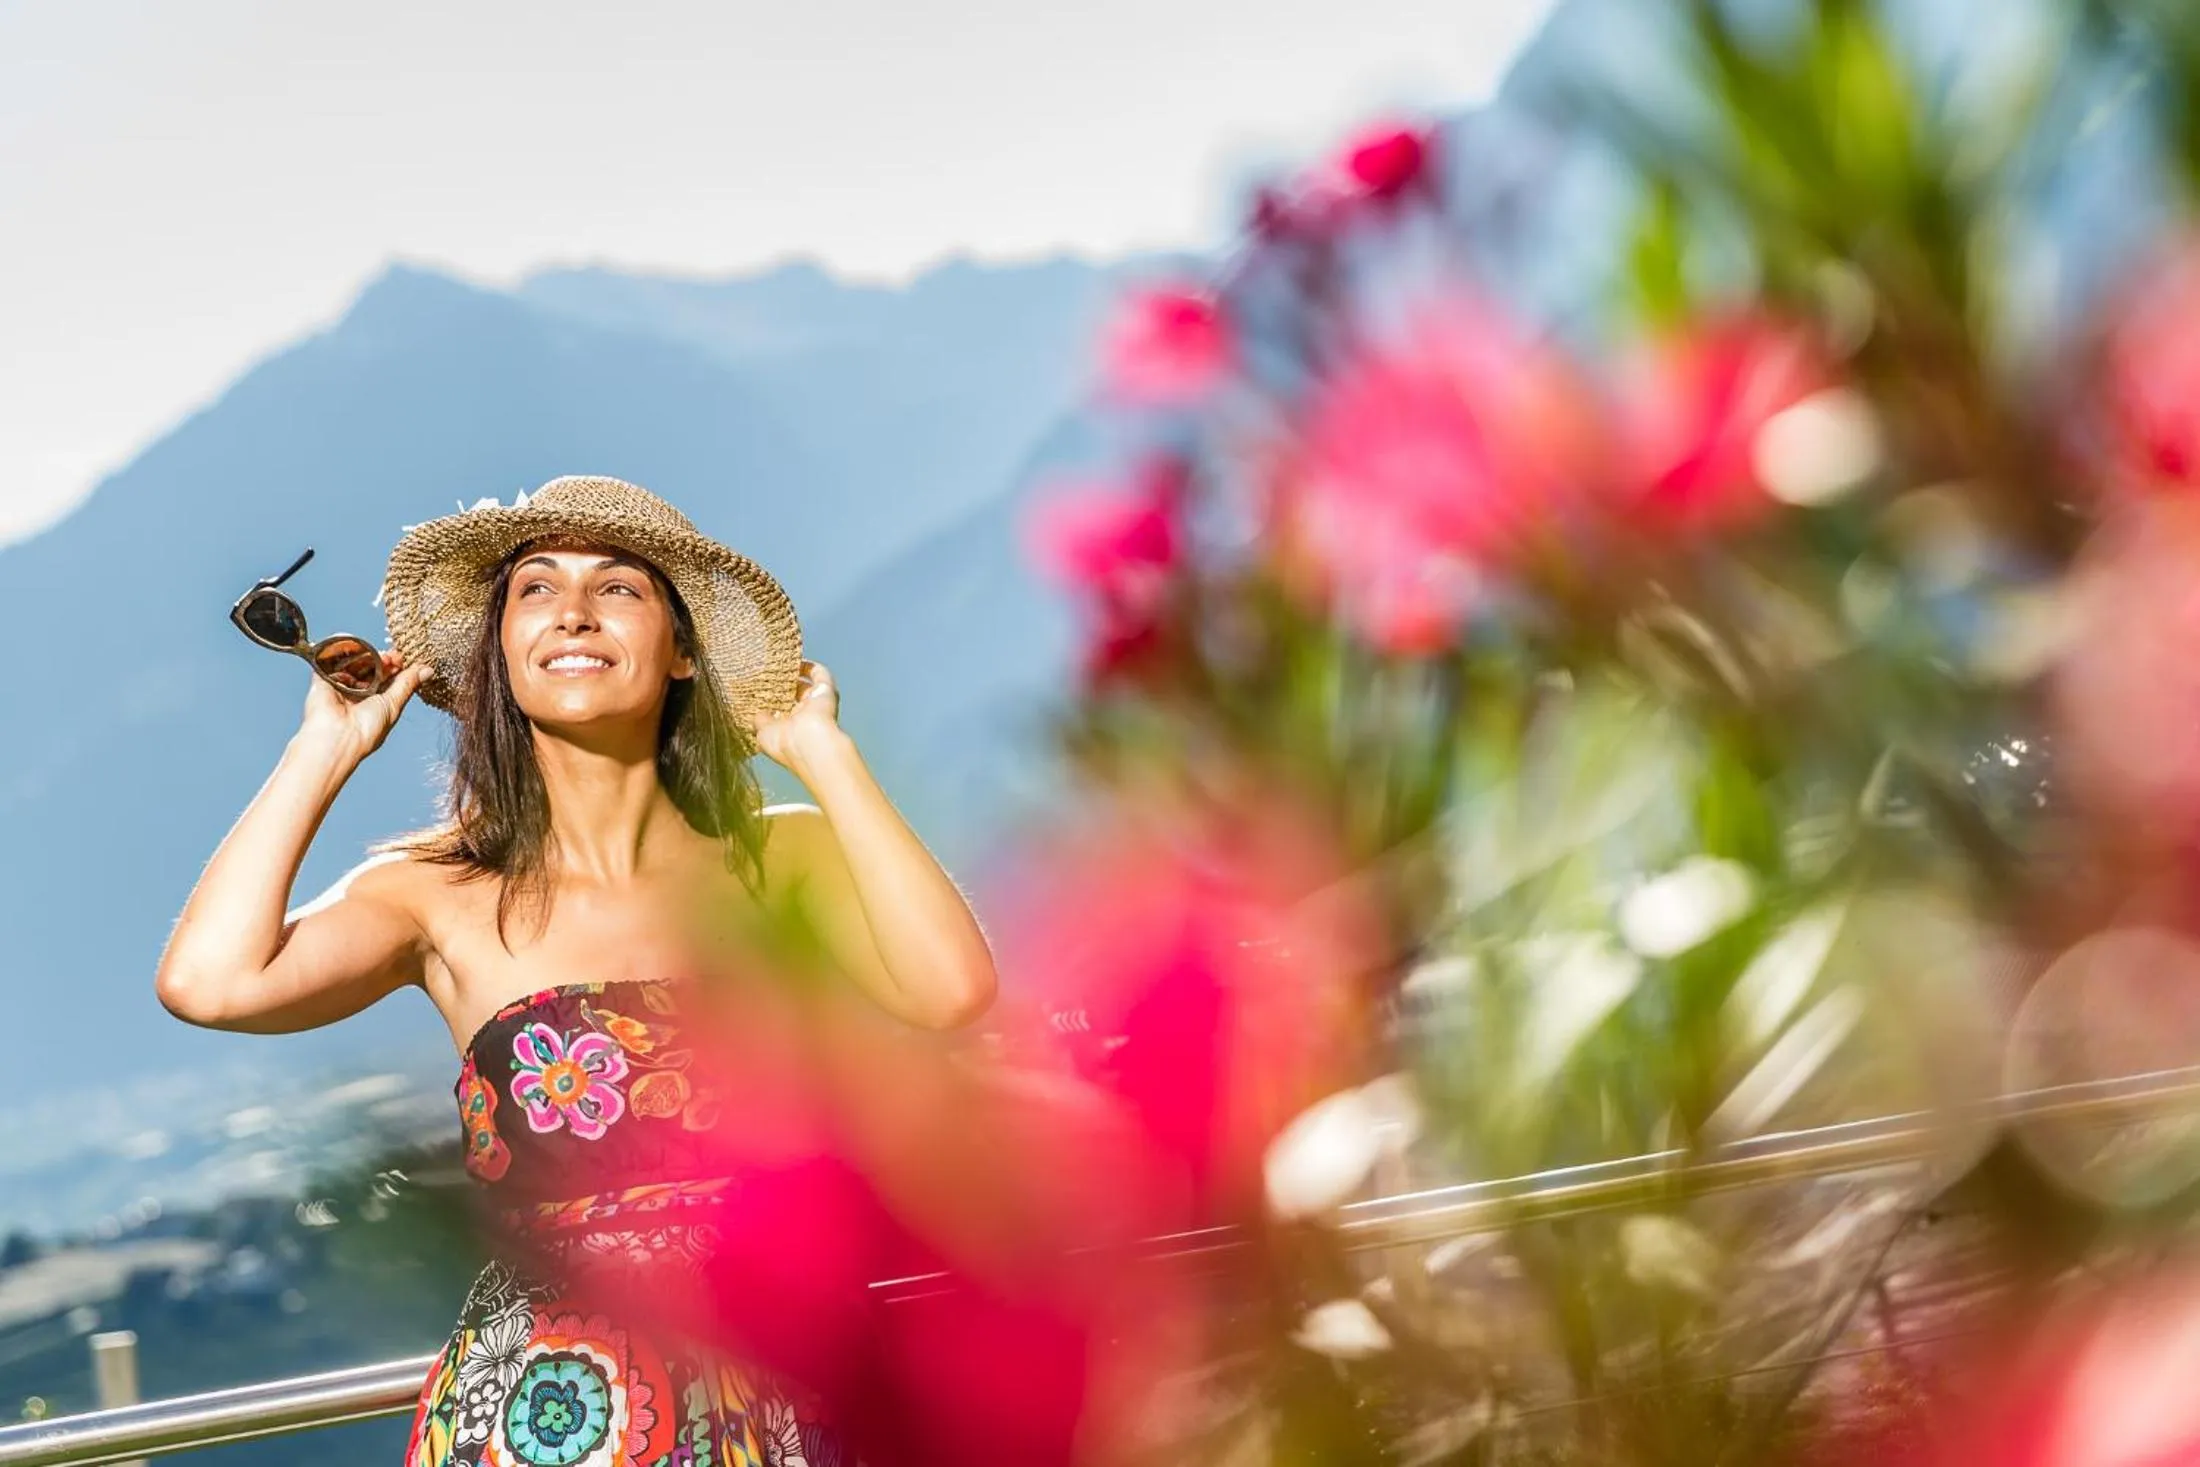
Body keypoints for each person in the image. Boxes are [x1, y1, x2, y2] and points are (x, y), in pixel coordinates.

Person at [155, 475, 998, 1467]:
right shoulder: (434, 890)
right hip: (554, 1417)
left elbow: (951, 989)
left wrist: (821, 751)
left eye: (621, 589)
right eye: (536, 589)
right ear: (500, 656)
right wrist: (326, 748)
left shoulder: (789, 857)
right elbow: (209, 983)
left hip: (793, 1388)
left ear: (683, 651)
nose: (574, 612)